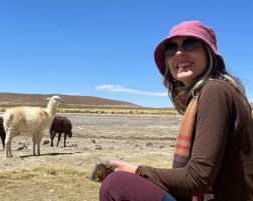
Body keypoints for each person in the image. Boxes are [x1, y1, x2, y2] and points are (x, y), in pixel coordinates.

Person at [99, 20, 253, 201]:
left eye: (190, 43)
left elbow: (197, 179)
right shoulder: (208, 94)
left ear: (209, 53)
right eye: (171, 48)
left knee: (116, 184)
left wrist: (137, 171)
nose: (179, 52)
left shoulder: (215, 91)